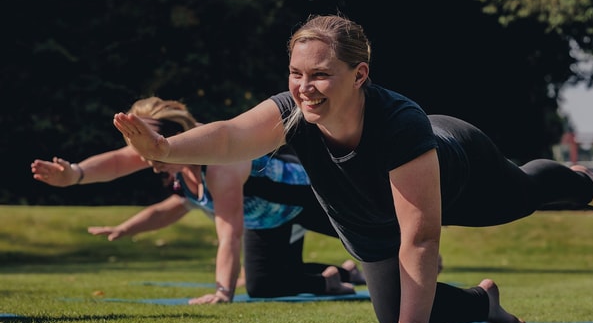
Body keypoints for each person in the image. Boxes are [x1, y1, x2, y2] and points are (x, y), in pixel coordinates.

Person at [113, 14, 593, 323]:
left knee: (523, 193)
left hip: (459, 169)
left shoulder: (399, 122)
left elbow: (421, 235)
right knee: (389, 313)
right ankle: (483, 302)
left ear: (359, 75)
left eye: (320, 74)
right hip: (366, 214)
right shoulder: (292, 112)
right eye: (296, 73)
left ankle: (582, 184)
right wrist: (163, 148)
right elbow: (228, 138)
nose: (305, 87)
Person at [32, 97, 367, 303]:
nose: (152, 166)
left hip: (313, 198)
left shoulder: (217, 165)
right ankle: (337, 277)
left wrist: (223, 291)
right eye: (146, 157)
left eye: (154, 156)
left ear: (174, 139)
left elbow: (229, 234)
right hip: (271, 220)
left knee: (379, 242)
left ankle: (369, 267)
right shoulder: (163, 156)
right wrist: (74, 173)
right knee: (265, 286)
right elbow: (121, 164)